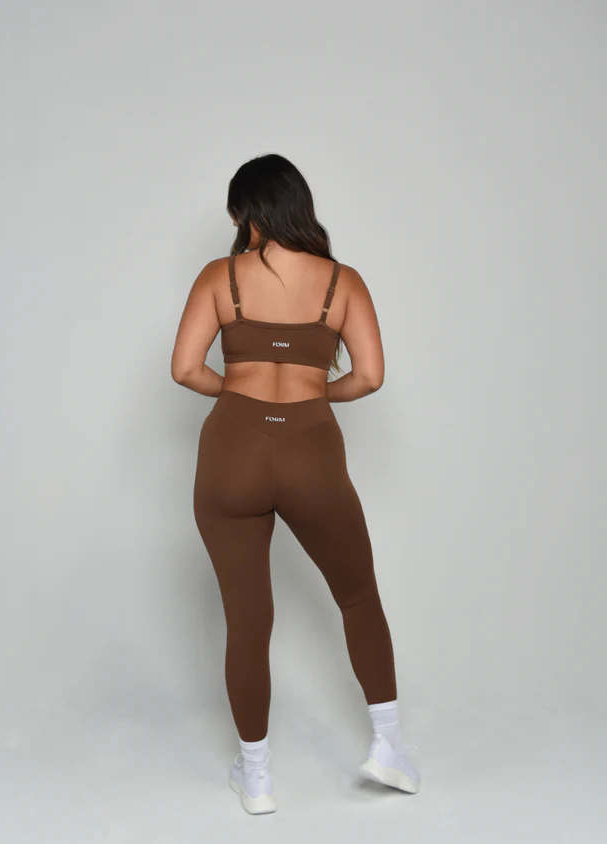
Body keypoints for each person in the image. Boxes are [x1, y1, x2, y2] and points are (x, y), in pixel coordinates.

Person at [171, 153, 421, 814]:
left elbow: (184, 368)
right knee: (358, 597)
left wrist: (239, 396)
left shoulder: (218, 277)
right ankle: (389, 748)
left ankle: (256, 779)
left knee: (247, 620)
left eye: (238, 215)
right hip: (311, 448)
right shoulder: (343, 281)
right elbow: (369, 376)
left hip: (232, 451)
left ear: (250, 212)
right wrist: (313, 396)